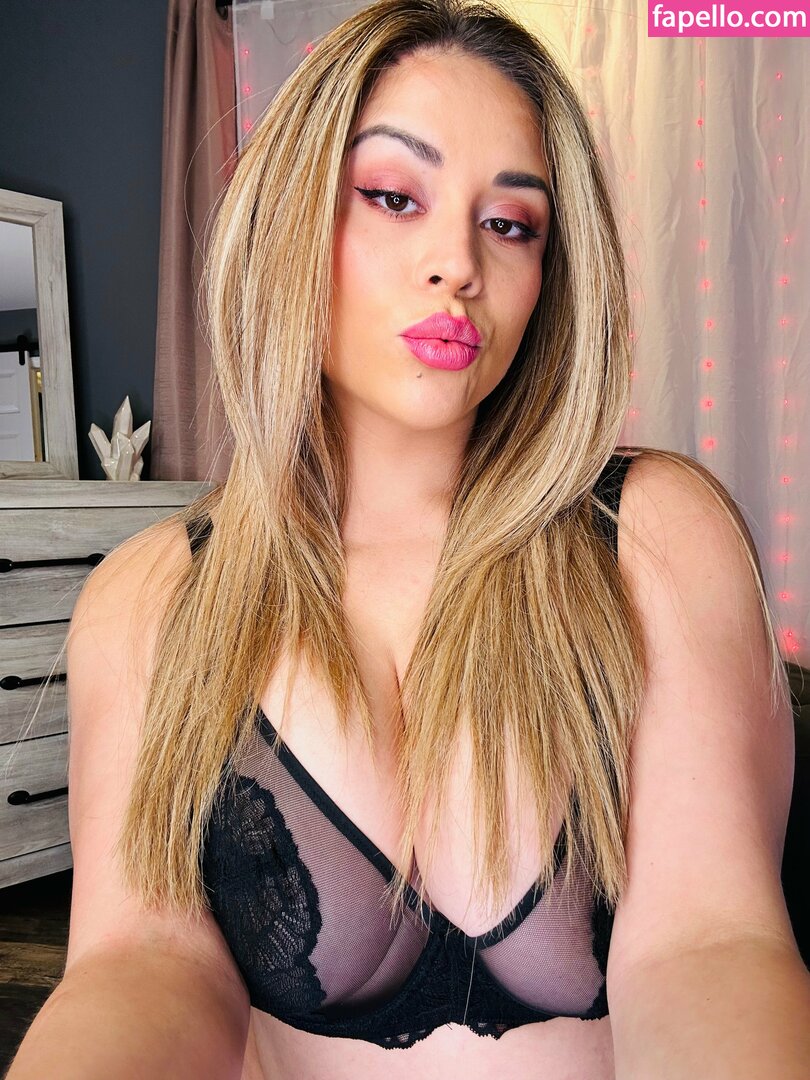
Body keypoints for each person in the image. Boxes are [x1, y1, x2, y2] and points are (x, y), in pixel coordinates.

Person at [8, 0, 809, 1076]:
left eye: (511, 223)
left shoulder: (652, 537)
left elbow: (708, 946)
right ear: (291, 219)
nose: (458, 264)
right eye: (393, 196)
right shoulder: (149, 600)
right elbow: (141, 966)